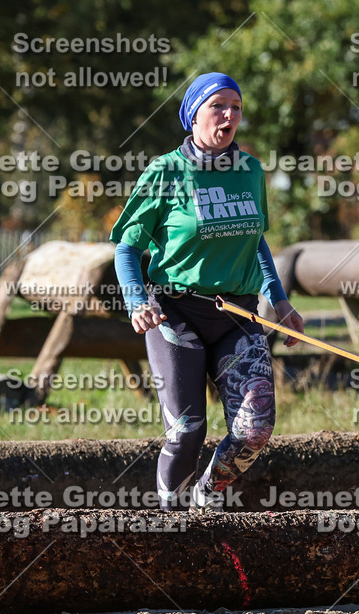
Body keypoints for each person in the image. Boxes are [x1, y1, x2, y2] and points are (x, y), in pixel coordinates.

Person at [110, 72, 303, 512]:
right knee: (187, 428)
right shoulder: (165, 173)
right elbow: (128, 249)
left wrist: (281, 301)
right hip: (175, 313)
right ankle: (170, 520)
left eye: (236, 107)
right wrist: (137, 300)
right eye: (218, 106)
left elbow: (254, 241)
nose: (229, 115)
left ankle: (204, 495)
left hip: (239, 314)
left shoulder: (251, 170)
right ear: (193, 115)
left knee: (255, 429)